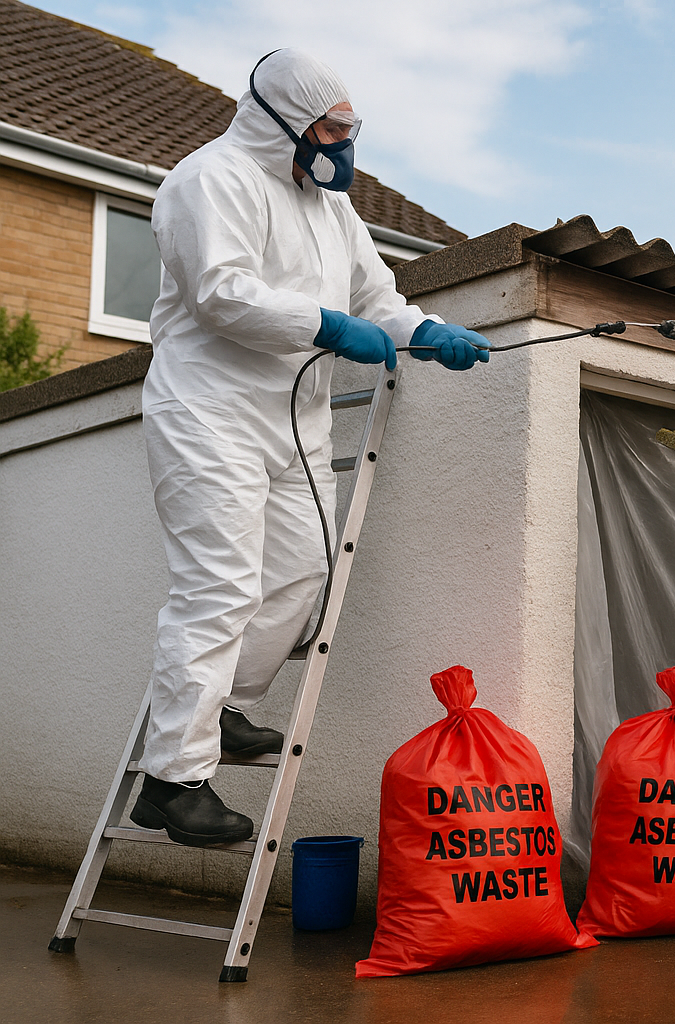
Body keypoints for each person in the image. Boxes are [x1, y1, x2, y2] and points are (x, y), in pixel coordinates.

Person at [131, 49, 488, 847]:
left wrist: (425, 330)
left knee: (301, 575)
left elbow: (377, 299)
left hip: (296, 418)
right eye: (329, 128)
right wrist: (325, 326)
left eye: (347, 130)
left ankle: (219, 711)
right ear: (283, 118)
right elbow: (220, 292)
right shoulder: (208, 178)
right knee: (218, 588)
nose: (340, 145)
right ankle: (172, 779)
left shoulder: (330, 211)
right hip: (209, 412)